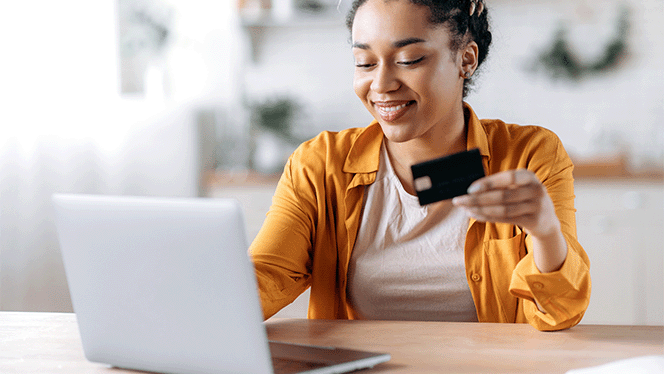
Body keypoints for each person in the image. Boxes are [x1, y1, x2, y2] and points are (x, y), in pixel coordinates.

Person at [249, 0, 591, 331]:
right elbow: (264, 277)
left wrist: (545, 232)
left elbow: (559, 312)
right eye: (365, 63)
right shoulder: (320, 165)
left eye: (409, 60)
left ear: (466, 59)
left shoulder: (529, 156)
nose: (381, 85)